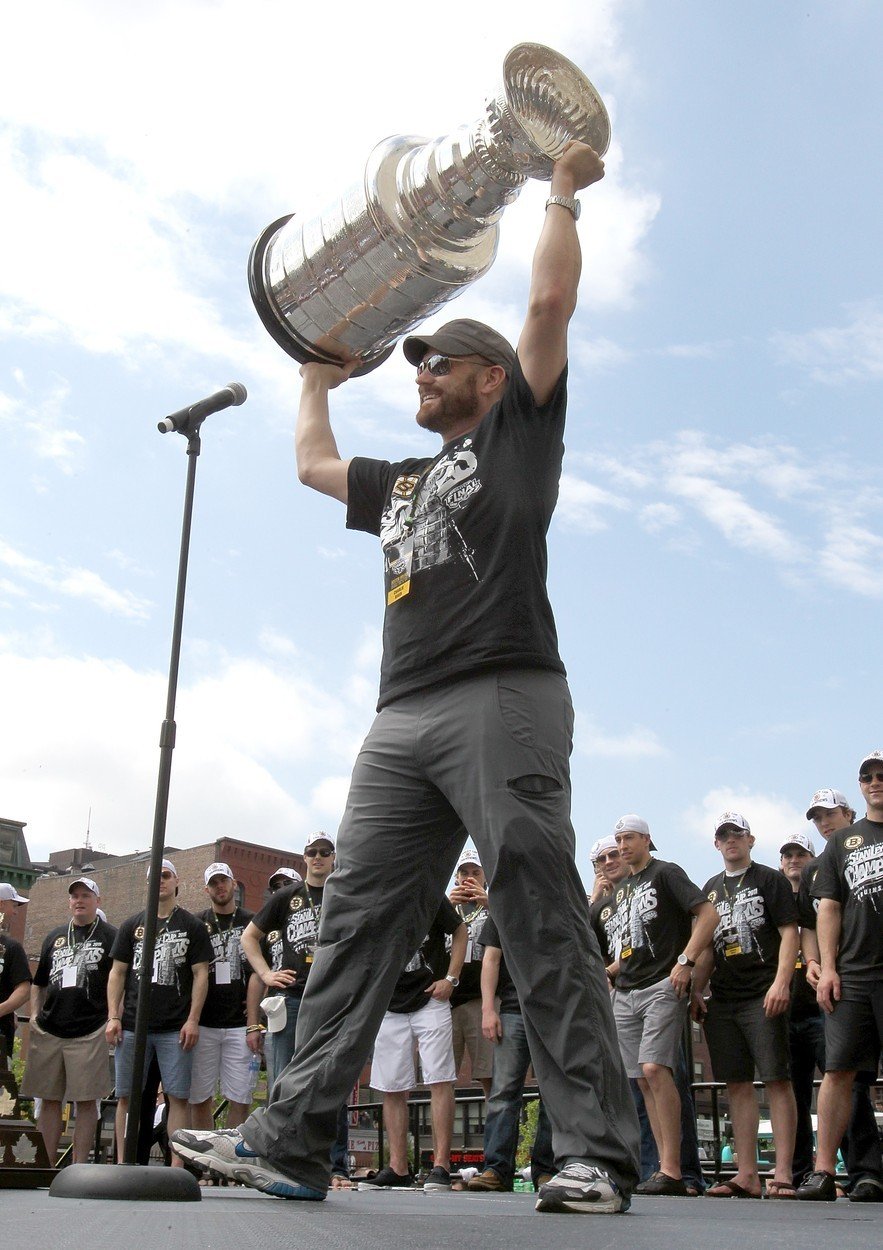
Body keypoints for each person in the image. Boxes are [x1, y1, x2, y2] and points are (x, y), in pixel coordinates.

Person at [171, 138, 640, 1215]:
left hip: (503, 689)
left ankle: (596, 1154)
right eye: (416, 361)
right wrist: (312, 374)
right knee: (353, 925)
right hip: (400, 719)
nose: (423, 372)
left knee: (534, 899)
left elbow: (551, 307)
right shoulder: (402, 480)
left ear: (489, 379)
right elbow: (309, 463)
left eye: (443, 361)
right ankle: (291, 1142)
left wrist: (560, 192)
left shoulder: (516, 436)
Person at [608, 815, 718, 1196]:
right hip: (626, 990)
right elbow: (631, 945)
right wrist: (608, 973)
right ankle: (661, 1168)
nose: (623, 846)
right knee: (640, 1078)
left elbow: (708, 914)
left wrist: (686, 961)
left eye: (630, 838)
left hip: (661, 985)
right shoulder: (622, 889)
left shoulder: (667, 872)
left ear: (647, 840)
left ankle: (673, 1168)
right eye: (619, 839)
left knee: (656, 1068)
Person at [692, 813, 800, 1199]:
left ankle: (783, 1174)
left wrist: (781, 983)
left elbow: (791, 932)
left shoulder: (769, 879)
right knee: (736, 1084)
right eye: (724, 835)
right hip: (723, 997)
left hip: (762, 992)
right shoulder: (711, 890)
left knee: (776, 1080)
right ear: (716, 844)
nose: (731, 840)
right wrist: (696, 992)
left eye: (737, 833)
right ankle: (748, 1175)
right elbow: (705, 949)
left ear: (751, 840)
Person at [239, 834, 352, 1187]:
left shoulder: (344, 894)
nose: (317, 858)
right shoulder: (287, 896)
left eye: (324, 852)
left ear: (334, 857)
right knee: (281, 1082)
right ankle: (276, 1160)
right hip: (288, 999)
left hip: (330, 1000)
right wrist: (266, 973)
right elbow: (248, 937)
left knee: (330, 1080)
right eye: (311, 853)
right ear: (304, 858)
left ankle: (335, 1166)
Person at [796, 753, 883, 1202]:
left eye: (881, 775)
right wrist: (827, 967)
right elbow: (826, 908)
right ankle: (824, 1171)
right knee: (837, 1071)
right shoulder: (842, 844)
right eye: (867, 776)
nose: (875, 781)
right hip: (853, 975)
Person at [106, 858, 212, 1165]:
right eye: (155, 877)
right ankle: (123, 1162)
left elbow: (201, 974)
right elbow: (117, 973)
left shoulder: (191, 925)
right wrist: (113, 1016)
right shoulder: (132, 925)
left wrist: (193, 1019)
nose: (160, 881)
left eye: (165, 876)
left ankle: (176, 1166)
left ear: (176, 882)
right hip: (132, 1025)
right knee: (126, 1096)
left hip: (174, 1026)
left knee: (177, 1097)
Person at [361, 900, 466, 1191]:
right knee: (391, 1086)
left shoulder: (426, 889)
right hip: (389, 1003)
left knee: (440, 1078)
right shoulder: (375, 896)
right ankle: (398, 1167)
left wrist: (451, 978)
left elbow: (460, 930)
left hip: (432, 997)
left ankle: (441, 1165)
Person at [21, 877, 116, 1163]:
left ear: (97, 901)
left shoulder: (110, 936)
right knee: (49, 1101)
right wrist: (35, 1017)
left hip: (90, 1029)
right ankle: (46, 1167)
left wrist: (112, 1018)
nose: (79, 900)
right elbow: (38, 983)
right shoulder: (55, 936)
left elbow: (118, 980)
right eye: (74, 896)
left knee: (86, 1102)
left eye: (85, 895)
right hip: (50, 1030)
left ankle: (78, 1169)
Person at [466, 910, 554, 1193]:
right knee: (503, 1093)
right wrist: (488, 1009)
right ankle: (496, 1169)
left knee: (552, 1094)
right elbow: (491, 959)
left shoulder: (556, 900)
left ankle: (546, 1170)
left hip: (552, 1011)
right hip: (513, 1010)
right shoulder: (504, 905)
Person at [189, 863, 258, 1133]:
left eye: (224, 881)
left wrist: (254, 1021)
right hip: (204, 1023)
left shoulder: (252, 922)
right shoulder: (196, 924)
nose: (220, 886)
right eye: (214, 882)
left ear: (233, 883)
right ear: (206, 889)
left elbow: (258, 972)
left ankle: (229, 1161)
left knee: (240, 1097)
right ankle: (206, 1162)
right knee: (199, 1096)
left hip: (239, 1024)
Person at [778, 833, 824, 1190]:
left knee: (845, 1089)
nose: (794, 859)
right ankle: (798, 1174)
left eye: (800, 853)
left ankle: (853, 1172)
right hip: (785, 1015)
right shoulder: (774, 899)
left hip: (822, 1009)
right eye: (787, 855)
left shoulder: (821, 896)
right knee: (794, 1098)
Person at [447, 848, 493, 1096]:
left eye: (476, 872)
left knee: (489, 1075)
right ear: (456, 877)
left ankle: (496, 1134)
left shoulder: (494, 905)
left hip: (481, 1000)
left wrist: (491, 903)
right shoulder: (446, 908)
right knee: (442, 1078)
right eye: (464, 872)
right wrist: (444, 906)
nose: (469, 877)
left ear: (485, 876)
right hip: (447, 1002)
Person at [0, 887, 31, 1065]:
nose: (15, 912)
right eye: (14, 905)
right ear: (2, 905)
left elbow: (24, 990)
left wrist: (3, 1009)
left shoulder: (12, 948)